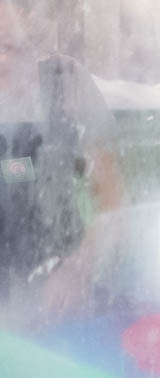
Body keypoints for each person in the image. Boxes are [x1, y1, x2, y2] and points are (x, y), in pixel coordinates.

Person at [0, 0, 122, 318]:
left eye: (10, 47)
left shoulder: (68, 84)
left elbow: (113, 198)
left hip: (61, 291)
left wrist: (78, 270)